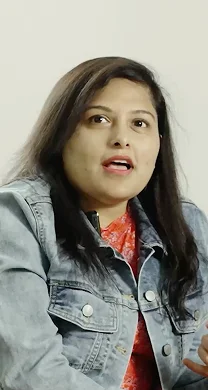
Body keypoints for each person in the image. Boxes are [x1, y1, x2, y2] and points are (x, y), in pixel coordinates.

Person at [0, 56, 208, 390]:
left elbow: (189, 375)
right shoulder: (16, 218)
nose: (121, 138)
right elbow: (30, 375)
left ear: (159, 143)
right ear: (61, 135)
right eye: (98, 119)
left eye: (139, 123)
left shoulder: (186, 224)